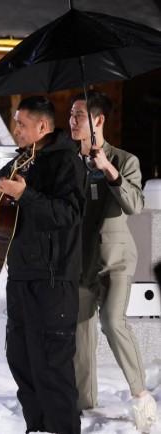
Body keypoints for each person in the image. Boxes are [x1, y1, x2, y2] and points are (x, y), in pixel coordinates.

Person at [0, 96, 85, 434]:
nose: (15, 129)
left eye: (21, 124)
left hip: (54, 280)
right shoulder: (22, 160)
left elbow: (68, 214)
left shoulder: (66, 161)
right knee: (22, 362)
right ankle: (36, 428)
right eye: (15, 123)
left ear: (42, 125)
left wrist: (24, 195)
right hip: (20, 277)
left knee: (52, 371)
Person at [69, 90, 156, 430]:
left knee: (111, 320)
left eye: (79, 115)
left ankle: (141, 396)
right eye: (71, 115)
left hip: (116, 258)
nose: (72, 121)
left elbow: (134, 205)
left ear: (99, 120)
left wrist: (107, 168)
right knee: (80, 329)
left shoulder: (124, 160)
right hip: (80, 258)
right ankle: (82, 404)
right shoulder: (67, 161)